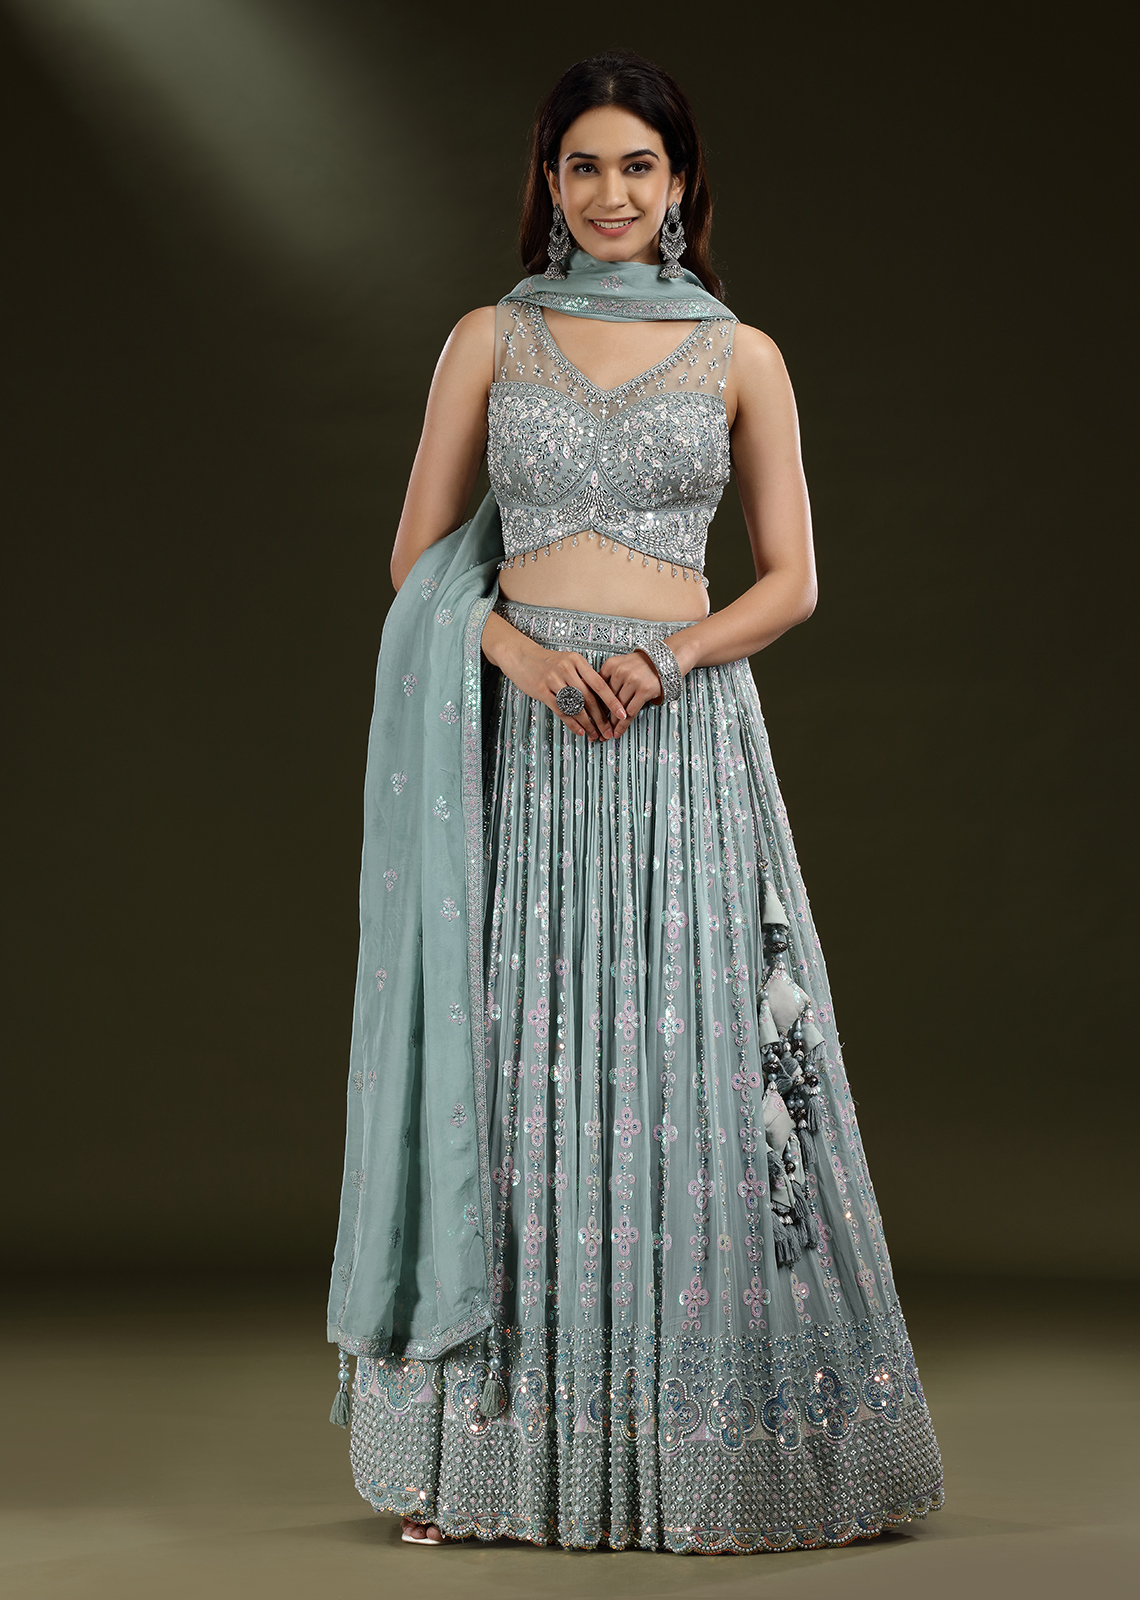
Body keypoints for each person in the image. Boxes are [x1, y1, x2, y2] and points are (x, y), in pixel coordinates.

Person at [326, 49, 943, 1554]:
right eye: (586, 166)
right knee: (520, 1071)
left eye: (639, 167)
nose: (613, 193)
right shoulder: (490, 338)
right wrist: (520, 654)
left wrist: (665, 660)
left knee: (697, 1074)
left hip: (678, 743)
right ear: (550, 183)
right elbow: (415, 558)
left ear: (681, 185)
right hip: (527, 745)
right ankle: (490, 1461)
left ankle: (718, 1461)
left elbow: (792, 580)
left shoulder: (744, 356)